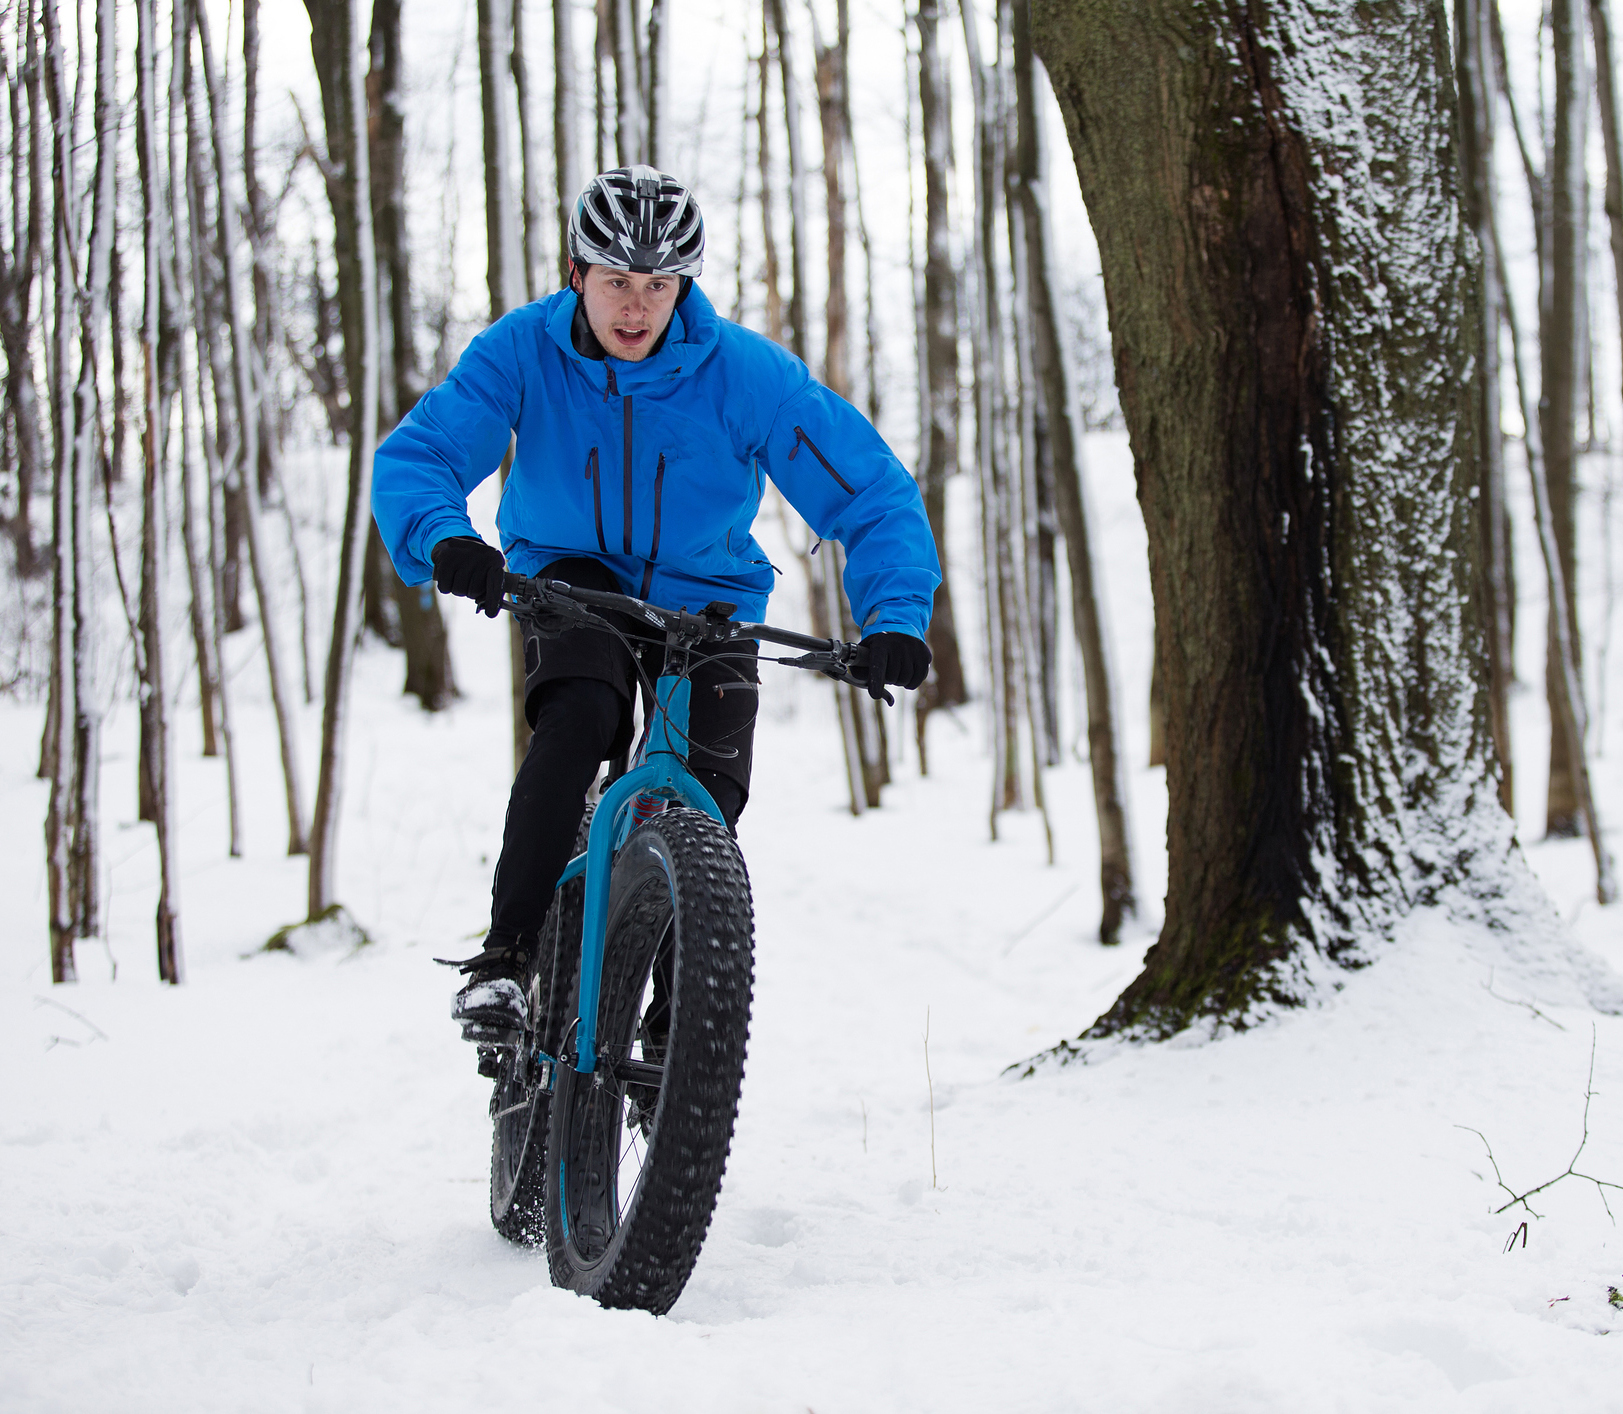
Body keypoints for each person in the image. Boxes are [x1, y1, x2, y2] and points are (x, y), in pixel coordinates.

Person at [371, 167, 940, 1065]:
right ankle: (506, 957)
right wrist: (446, 537)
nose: (636, 307)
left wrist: (895, 616)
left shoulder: (745, 375)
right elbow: (424, 454)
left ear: (684, 286)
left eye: (658, 285)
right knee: (580, 714)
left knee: (705, 789)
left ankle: (683, 1043)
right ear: (576, 274)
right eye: (615, 282)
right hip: (570, 579)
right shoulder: (521, 352)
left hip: (707, 598)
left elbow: (870, 492)